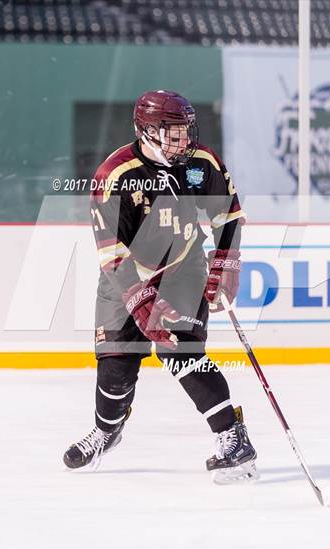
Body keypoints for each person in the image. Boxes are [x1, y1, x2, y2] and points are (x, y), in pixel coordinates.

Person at [63, 90, 258, 483]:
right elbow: (112, 253)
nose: (184, 140)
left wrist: (226, 262)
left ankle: (232, 438)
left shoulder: (200, 162)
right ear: (146, 131)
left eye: (186, 130)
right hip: (126, 275)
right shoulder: (114, 176)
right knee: (115, 366)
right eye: (173, 132)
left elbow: (229, 213)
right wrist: (140, 299)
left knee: (180, 348)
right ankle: (107, 431)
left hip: (183, 268)